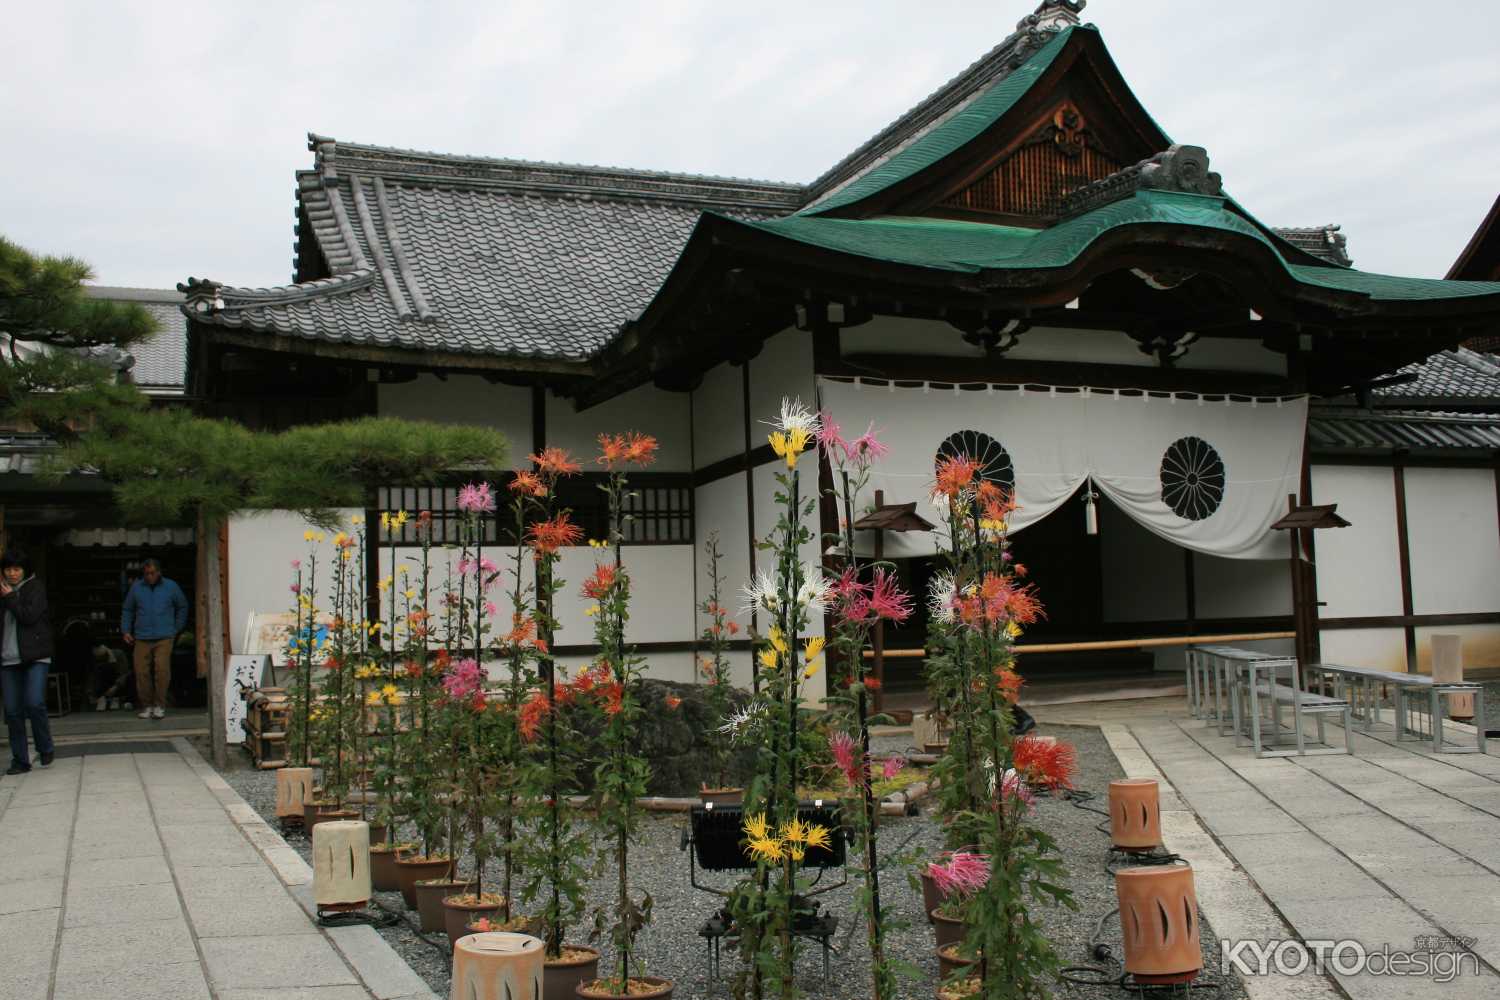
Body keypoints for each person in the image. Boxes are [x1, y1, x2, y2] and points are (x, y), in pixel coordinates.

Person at [0, 551, 55, 774]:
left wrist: (10, 597)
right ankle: (20, 760)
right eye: (8, 569)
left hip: (36, 656)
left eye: (17, 569)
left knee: (34, 703)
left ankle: (45, 746)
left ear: (25, 570)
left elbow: (29, 617)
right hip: (7, 658)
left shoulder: (36, 588)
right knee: (12, 711)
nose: (12, 574)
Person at [121, 558, 188, 720]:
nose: (149, 576)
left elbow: (183, 606)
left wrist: (176, 628)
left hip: (164, 636)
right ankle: (146, 705)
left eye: (152, 573)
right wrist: (126, 630)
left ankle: (159, 705)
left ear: (159, 572)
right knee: (141, 671)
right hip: (142, 636)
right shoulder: (136, 587)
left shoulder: (171, 586)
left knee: (162, 670)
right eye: (146, 574)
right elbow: (128, 609)